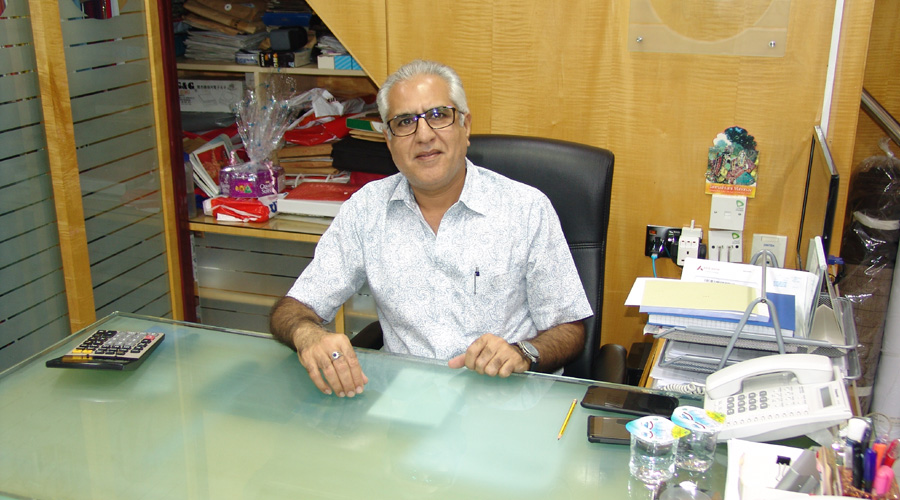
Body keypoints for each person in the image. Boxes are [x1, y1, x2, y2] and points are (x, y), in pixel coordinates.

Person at [270, 59, 592, 397]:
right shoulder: (366, 210)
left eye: (439, 115)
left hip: (505, 400)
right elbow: (292, 309)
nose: (424, 135)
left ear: (465, 126)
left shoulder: (526, 209)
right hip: (409, 404)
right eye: (404, 122)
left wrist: (522, 353)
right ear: (388, 140)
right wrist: (309, 335)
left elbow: (569, 329)